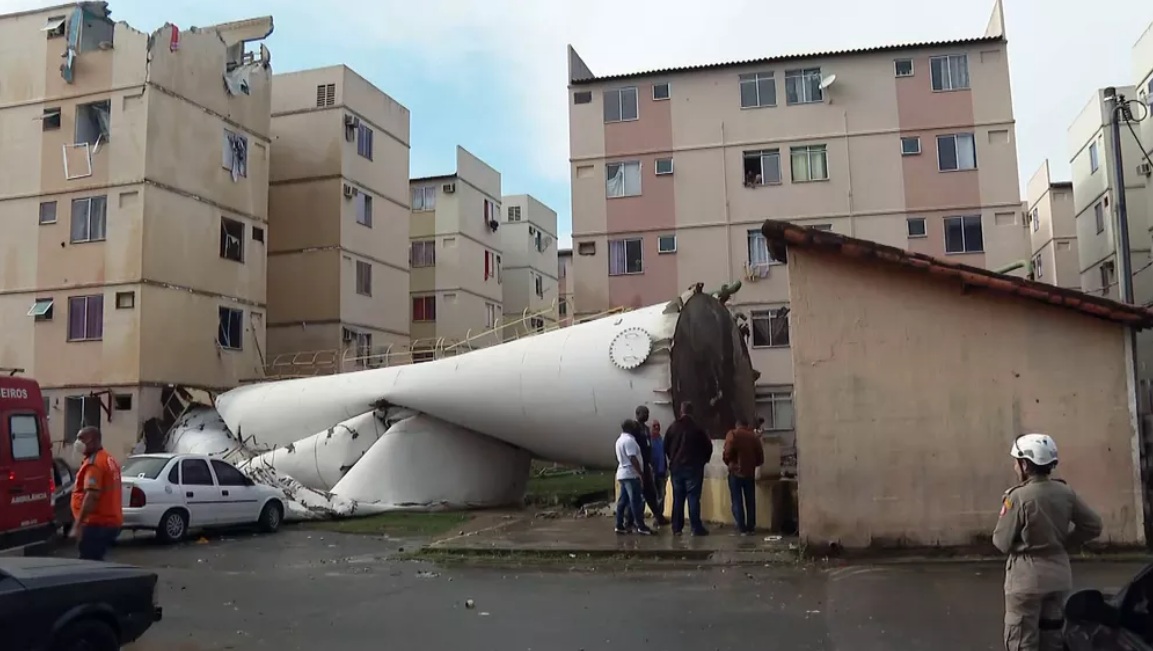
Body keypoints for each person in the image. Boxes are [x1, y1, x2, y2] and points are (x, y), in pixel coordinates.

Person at [993, 433, 1102, 651]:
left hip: (1026, 580)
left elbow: (1001, 542)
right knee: (1052, 638)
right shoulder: (1065, 492)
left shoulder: (1017, 497)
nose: (1015, 467)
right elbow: (1093, 526)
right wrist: (1065, 543)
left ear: (1025, 464)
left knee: (1022, 640)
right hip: (1059, 577)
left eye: (1016, 462)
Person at [70, 427, 124, 561]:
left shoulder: (94, 464)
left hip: (96, 524)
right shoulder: (108, 458)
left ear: (94, 441)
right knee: (95, 560)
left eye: (82, 439)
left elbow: (92, 496)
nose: (77, 442)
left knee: (88, 564)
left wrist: (78, 524)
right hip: (108, 521)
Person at [664, 401, 712, 536]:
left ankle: (676, 528)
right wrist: (703, 461)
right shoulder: (698, 428)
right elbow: (708, 447)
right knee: (693, 498)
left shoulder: (673, 427)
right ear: (692, 412)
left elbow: (665, 446)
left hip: (676, 467)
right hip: (694, 468)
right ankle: (695, 528)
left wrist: (673, 459)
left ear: (681, 411)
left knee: (678, 498)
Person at [628, 406, 669, 527]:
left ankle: (658, 517)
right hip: (637, 466)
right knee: (636, 496)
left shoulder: (646, 429)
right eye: (644, 413)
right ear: (637, 414)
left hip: (646, 465)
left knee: (651, 493)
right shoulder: (634, 429)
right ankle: (631, 521)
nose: (646, 415)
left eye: (647, 413)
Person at [723, 417, 764, 535]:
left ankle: (741, 527)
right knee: (750, 500)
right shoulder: (754, 437)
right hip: (749, 473)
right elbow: (760, 458)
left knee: (737, 500)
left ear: (737, 425)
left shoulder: (733, 434)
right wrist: (751, 465)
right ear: (747, 425)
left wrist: (730, 463)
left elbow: (727, 453)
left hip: (735, 473)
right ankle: (751, 527)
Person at [614, 419, 653, 536]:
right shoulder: (629, 441)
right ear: (630, 428)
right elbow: (633, 458)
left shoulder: (620, 440)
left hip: (622, 473)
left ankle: (619, 524)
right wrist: (640, 473)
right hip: (630, 474)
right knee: (635, 500)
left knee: (623, 501)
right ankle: (640, 526)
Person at [649, 419, 668, 518]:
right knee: (654, 495)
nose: (656, 428)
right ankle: (656, 514)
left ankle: (659, 515)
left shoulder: (661, 439)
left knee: (661, 495)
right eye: (654, 426)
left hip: (661, 472)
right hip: (652, 472)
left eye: (658, 426)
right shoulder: (648, 440)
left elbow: (664, 455)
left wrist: (665, 469)